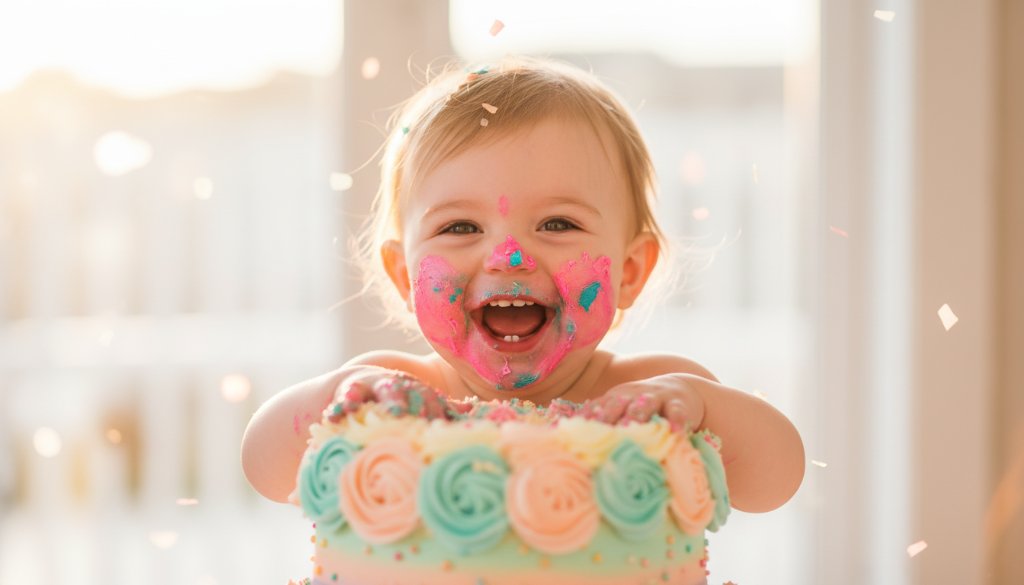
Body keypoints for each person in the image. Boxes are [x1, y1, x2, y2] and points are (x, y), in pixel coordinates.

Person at [242, 56, 804, 515]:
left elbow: (776, 479)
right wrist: (336, 395)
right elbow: (263, 467)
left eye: (558, 224)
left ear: (630, 270)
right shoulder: (393, 396)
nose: (507, 256)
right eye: (460, 227)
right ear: (405, 276)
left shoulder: (653, 396)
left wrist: (700, 403)